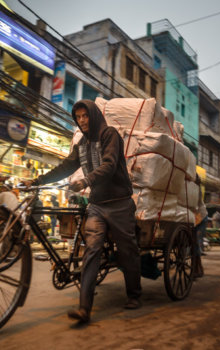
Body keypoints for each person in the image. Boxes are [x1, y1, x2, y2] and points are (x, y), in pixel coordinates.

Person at [26, 99, 141, 323]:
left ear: (94, 115)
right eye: (78, 117)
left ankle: (135, 294)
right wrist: (38, 180)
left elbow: (108, 165)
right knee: (91, 251)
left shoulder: (110, 135)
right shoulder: (81, 145)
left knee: (128, 250)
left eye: (85, 116)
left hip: (119, 203)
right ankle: (84, 308)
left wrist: (86, 180)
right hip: (97, 205)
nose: (82, 121)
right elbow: (66, 167)